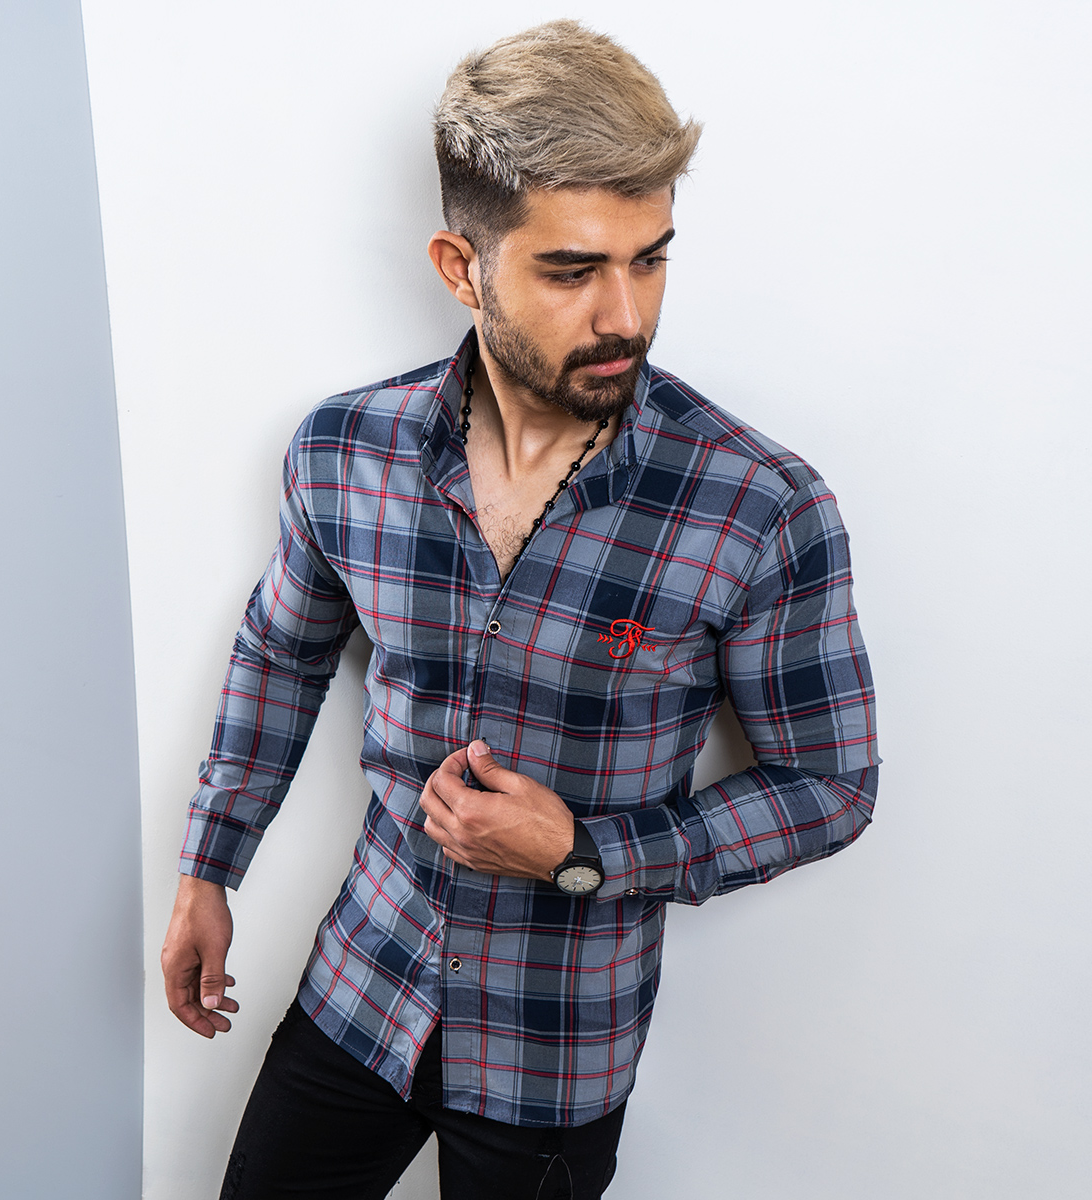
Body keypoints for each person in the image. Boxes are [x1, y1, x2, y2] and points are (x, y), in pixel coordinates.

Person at [161, 19, 880, 1200]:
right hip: (360, 989)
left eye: (650, 259)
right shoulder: (345, 451)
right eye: (572, 270)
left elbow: (831, 785)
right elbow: (281, 656)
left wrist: (587, 855)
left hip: (555, 1051)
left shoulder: (758, 507)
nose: (626, 315)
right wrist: (208, 866)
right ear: (462, 268)